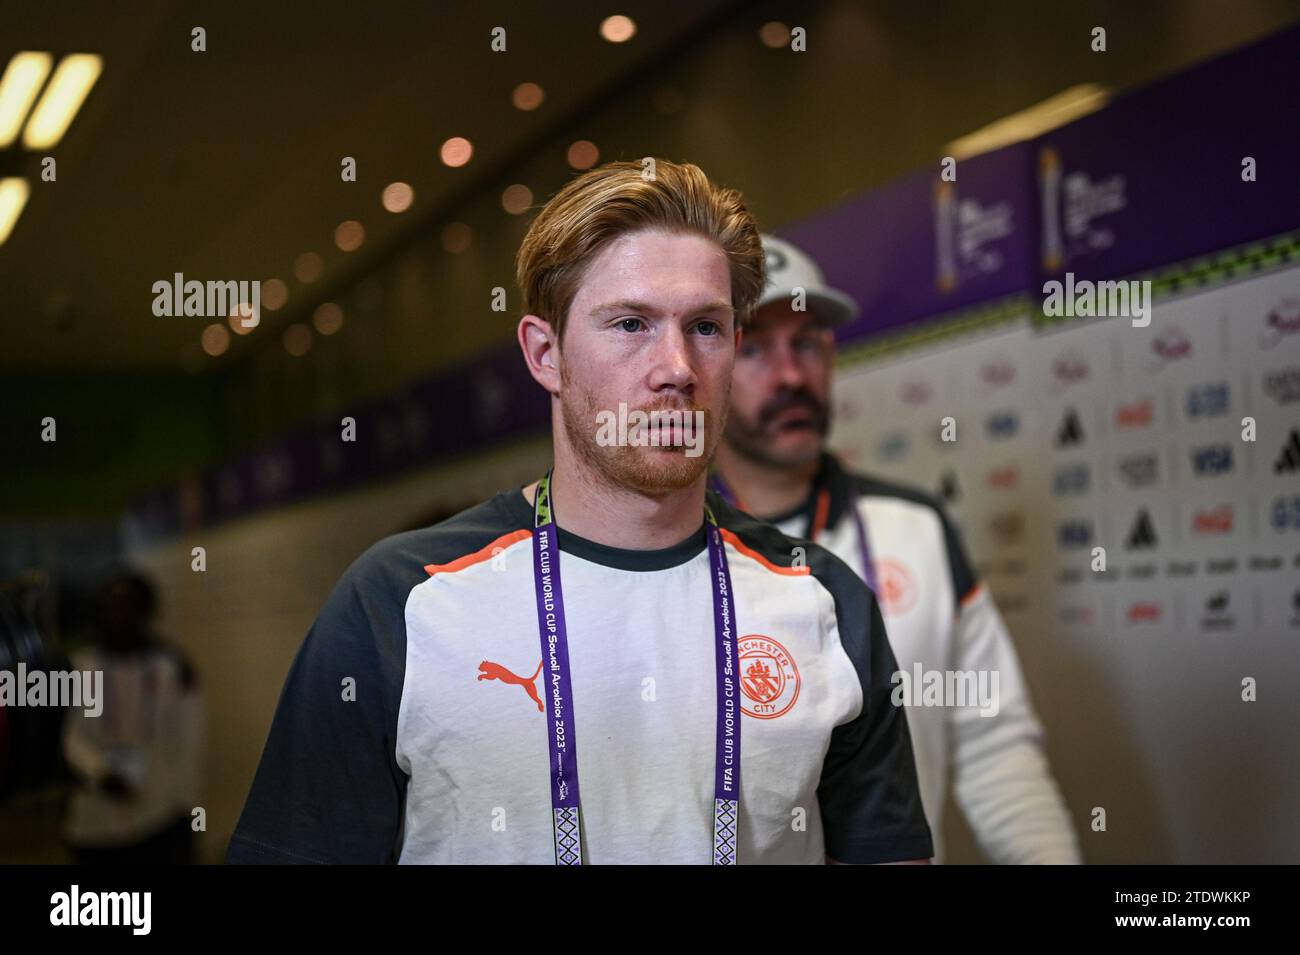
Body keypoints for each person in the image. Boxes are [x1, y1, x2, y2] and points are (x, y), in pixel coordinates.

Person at [226, 160, 932, 864]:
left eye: (707, 327)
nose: (678, 366)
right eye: (630, 323)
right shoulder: (401, 600)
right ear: (545, 354)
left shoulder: (823, 599)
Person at [711, 234, 1080, 864]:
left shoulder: (917, 526)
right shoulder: (665, 548)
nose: (792, 376)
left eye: (805, 344)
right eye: (755, 348)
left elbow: (993, 744)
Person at [62, 570, 205, 864]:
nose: (120, 614)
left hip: (157, 816)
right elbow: (69, 735)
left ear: (146, 610)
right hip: (94, 820)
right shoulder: (79, 667)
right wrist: (100, 772)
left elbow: (188, 742)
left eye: (129, 604)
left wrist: (186, 808)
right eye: (112, 605)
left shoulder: (171, 667)